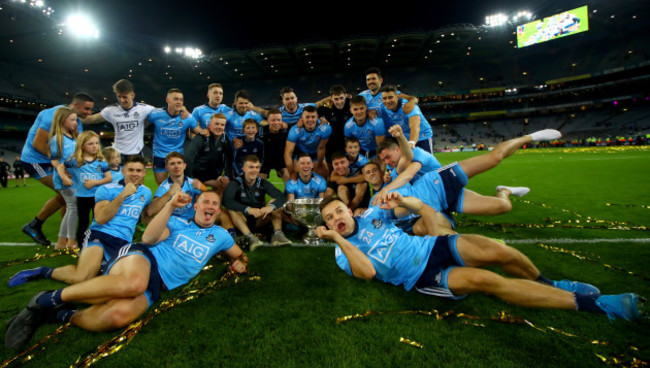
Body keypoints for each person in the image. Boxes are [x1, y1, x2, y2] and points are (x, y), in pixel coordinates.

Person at [315, 194, 643, 322]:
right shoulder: (342, 254)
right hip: (423, 277)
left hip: (433, 248)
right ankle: (599, 305)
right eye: (330, 218)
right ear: (327, 225)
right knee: (488, 281)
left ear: (348, 208)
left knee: (498, 250)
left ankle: (548, 283)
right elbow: (368, 272)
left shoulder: (374, 213)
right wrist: (339, 241)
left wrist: (404, 200)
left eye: (339, 210)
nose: (337, 218)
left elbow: (418, 210)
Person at [4, 191, 248, 349]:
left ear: (218, 211)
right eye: (206, 201)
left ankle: (59, 315)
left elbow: (240, 255)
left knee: (118, 315)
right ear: (195, 206)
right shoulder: (176, 222)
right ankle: (45, 300)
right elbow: (151, 238)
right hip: (143, 257)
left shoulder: (220, 236)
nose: (211, 206)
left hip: (159, 286)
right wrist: (170, 206)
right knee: (133, 284)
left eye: (215, 204)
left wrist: (240, 263)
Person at [8, 156, 152, 287]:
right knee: (82, 278)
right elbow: (101, 218)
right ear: (123, 171)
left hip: (123, 242)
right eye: (131, 170)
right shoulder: (106, 189)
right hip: (100, 236)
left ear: (144, 173)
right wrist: (123, 195)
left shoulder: (146, 193)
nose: (134, 174)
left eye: (138, 170)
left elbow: (146, 215)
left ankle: (100, 266)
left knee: (116, 280)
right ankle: (43, 271)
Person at [372, 125, 561, 216]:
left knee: (494, 158)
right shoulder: (394, 169)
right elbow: (400, 179)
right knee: (503, 207)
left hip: (445, 178)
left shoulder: (413, 153)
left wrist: (384, 190)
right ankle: (504, 190)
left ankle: (528, 137)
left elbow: (409, 172)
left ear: (397, 150)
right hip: (443, 200)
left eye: (388, 157)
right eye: (383, 160)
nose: (387, 162)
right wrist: (388, 181)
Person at [21, 93, 95, 246]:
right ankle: (40, 227)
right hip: (37, 161)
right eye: (86, 109)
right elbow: (39, 144)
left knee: (66, 197)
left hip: (55, 162)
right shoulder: (52, 116)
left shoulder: (76, 122)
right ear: (75, 105)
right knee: (69, 196)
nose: (89, 113)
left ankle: (62, 237)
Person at [223, 155, 291, 249]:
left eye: (257, 167)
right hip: (242, 219)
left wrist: (270, 206)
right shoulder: (235, 183)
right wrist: (248, 209)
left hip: (259, 218)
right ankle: (250, 237)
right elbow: (226, 201)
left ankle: (278, 235)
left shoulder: (262, 183)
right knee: (231, 209)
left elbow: (282, 197)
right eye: (251, 167)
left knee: (274, 202)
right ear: (243, 169)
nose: (254, 170)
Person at [82, 79, 155, 164]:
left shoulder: (144, 109)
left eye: (125, 97)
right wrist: (69, 115)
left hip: (136, 153)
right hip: (117, 153)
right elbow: (92, 119)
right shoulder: (111, 110)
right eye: (119, 96)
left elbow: (162, 115)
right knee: (117, 177)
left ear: (132, 95)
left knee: (135, 177)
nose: (122, 100)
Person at [61, 131, 112, 246]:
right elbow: (60, 167)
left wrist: (95, 182)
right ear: (82, 145)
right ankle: (81, 246)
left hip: (99, 197)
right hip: (82, 197)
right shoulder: (75, 160)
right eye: (90, 144)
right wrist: (64, 178)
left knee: (98, 220)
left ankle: (98, 243)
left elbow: (109, 178)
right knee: (83, 222)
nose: (95, 146)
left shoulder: (101, 160)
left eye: (96, 143)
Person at [148, 88, 206, 185]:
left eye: (181, 100)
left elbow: (200, 132)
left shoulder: (188, 117)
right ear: (168, 100)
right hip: (160, 156)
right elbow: (143, 123)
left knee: (178, 185)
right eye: (175, 99)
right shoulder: (155, 114)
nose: (179, 102)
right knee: (162, 187)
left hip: (177, 156)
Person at [49, 107, 80, 249]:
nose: (75, 123)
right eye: (72, 120)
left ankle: (61, 241)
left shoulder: (73, 138)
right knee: (73, 208)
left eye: (76, 120)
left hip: (74, 178)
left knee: (71, 208)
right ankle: (70, 241)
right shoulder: (58, 139)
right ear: (62, 120)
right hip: (64, 179)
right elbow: (54, 160)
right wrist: (63, 174)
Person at [147, 152, 206, 221]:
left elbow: (212, 200)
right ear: (167, 167)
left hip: (192, 222)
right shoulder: (164, 187)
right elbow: (150, 211)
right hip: (173, 225)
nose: (176, 166)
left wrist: (203, 189)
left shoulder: (193, 183)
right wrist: (169, 193)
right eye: (172, 164)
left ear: (184, 166)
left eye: (179, 163)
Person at [184, 113, 233, 194]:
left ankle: (217, 205)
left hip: (213, 176)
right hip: (197, 176)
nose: (219, 127)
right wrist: (191, 179)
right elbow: (188, 158)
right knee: (202, 195)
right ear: (209, 126)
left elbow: (229, 158)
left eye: (222, 125)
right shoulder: (201, 138)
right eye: (216, 124)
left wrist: (226, 176)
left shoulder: (224, 139)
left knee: (224, 185)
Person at [380, 85, 435, 153]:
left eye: (390, 97)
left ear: (397, 97)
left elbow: (415, 127)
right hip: (406, 140)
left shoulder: (408, 106)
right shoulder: (384, 108)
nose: (387, 101)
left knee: (427, 163)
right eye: (384, 98)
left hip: (423, 137)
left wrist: (412, 142)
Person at [284, 106, 331, 179]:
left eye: (313, 117)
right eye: (307, 117)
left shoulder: (325, 128)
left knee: (323, 174)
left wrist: (320, 165)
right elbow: (288, 153)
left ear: (317, 117)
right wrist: (292, 173)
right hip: (300, 152)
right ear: (302, 118)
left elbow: (321, 148)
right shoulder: (294, 130)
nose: (310, 120)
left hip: (315, 152)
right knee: (299, 176)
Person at [317, 85, 352, 164]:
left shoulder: (351, 105)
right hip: (331, 144)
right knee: (331, 169)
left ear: (345, 96)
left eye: (341, 98)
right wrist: (319, 119)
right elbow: (310, 110)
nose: (339, 102)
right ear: (331, 98)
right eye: (336, 99)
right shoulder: (326, 108)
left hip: (348, 144)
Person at [259, 108, 290, 183]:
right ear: (268, 121)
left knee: (288, 177)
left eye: (279, 120)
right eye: (273, 120)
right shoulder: (260, 132)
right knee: (259, 182)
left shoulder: (286, 131)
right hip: (265, 159)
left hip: (280, 159)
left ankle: (289, 194)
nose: (276, 123)